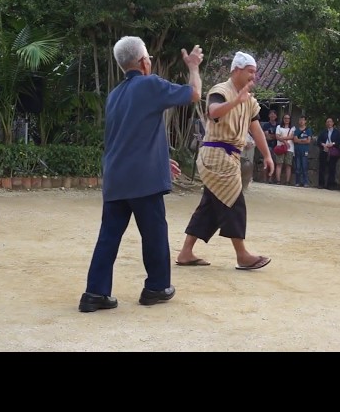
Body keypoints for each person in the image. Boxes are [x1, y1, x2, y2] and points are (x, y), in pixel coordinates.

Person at [78, 36, 203, 313]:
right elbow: (193, 94)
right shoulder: (150, 84)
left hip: (116, 177)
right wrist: (193, 67)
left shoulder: (114, 95)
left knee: (108, 237)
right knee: (155, 233)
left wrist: (160, 158)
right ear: (144, 61)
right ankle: (156, 287)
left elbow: (126, 137)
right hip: (143, 181)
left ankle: (94, 294)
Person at [176, 51, 274, 270]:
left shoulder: (249, 100)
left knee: (210, 205)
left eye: (255, 73)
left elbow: (255, 128)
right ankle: (242, 255)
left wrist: (267, 155)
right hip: (216, 155)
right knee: (234, 202)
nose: (253, 77)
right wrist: (236, 100)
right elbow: (213, 112)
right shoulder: (221, 90)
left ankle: (185, 252)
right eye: (250, 72)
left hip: (229, 157)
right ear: (236, 70)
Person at [316, 117, 340, 189]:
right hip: (324, 151)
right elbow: (318, 141)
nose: (329, 123)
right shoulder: (323, 132)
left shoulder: (337, 132)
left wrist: (332, 144)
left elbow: (339, 141)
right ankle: (321, 184)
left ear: (333, 123)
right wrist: (323, 144)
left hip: (333, 152)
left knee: (332, 168)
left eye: (330, 121)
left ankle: (330, 184)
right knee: (322, 168)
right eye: (327, 122)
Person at [274, 113, 295, 185]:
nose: (286, 120)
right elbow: (277, 136)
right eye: (285, 118)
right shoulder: (279, 127)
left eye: (288, 118)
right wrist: (285, 142)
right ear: (283, 119)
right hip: (280, 147)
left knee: (288, 165)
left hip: (290, 148)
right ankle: (278, 180)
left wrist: (282, 138)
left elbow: (292, 137)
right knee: (279, 163)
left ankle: (287, 181)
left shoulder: (292, 128)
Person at [293, 115, 313, 187]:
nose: (301, 121)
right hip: (297, 150)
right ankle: (297, 182)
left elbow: (308, 141)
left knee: (304, 167)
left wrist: (299, 140)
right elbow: (295, 140)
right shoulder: (296, 130)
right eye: (300, 120)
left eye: (303, 120)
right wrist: (303, 140)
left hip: (305, 150)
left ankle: (305, 182)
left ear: (305, 121)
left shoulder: (308, 130)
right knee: (297, 167)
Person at [262, 109, 279, 183]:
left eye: (274, 114)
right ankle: (265, 179)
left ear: (276, 116)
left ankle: (271, 179)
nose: (272, 115)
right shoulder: (266, 125)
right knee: (266, 162)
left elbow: (278, 136)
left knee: (274, 162)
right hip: (267, 146)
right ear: (269, 116)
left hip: (276, 146)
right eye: (271, 114)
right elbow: (266, 136)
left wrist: (273, 136)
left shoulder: (278, 125)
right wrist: (275, 136)